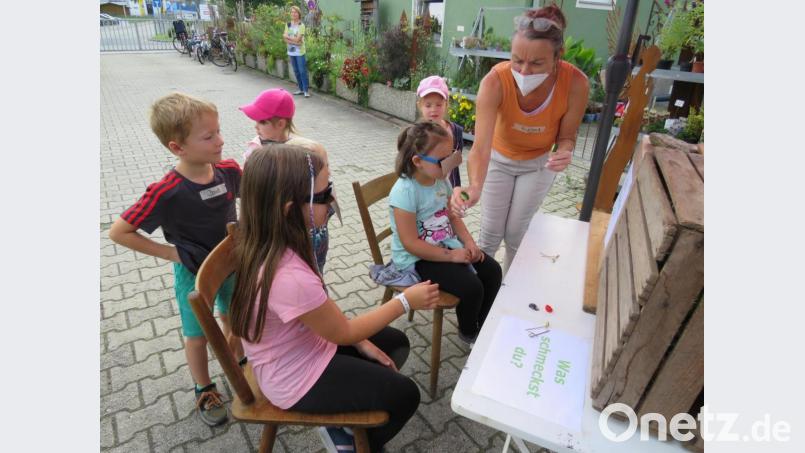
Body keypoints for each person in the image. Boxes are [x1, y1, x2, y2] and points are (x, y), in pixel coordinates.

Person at [229, 145, 441, 453]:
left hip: (305, 346)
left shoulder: (274, 240)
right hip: (293, 378)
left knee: (394, 343)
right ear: (289, 210)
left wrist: (360, 340)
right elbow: (343, 331)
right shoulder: (287, 274)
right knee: (405, 395)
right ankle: (350, 443)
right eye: (324, 195)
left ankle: (343, 417)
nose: (333, 202)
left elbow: (325, 316)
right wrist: (406, 301)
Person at [108, 92, 241, 426]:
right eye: (209, 136)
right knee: (196, 334)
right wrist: (172, 253)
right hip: (193, 275)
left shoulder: (228, 170)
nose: (220, 141)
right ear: (177, 148)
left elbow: (249, 198)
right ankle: (204, 387)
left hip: (234, 263)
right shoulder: (165, 191)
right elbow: (118, 232)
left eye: (219, 131)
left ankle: (237, 361)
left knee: (235, 317)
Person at [450, 5, 589, 272]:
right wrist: (475, 185)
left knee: (517, 234)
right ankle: (482, 294)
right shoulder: (494, 81)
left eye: (536, 63)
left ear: (558, 56)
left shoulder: (576, 83)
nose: (524, 71)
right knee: (490, 234)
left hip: (538, 164)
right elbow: (480, 146)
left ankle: (509, 294)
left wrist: (565, 151)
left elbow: (567, 136)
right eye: (517, 60)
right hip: (498, 161)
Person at [389, 122, 502, 345]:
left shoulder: (440, 180)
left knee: (492, 270)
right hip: (417, 258)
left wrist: (469, 242)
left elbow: (452, 216)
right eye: (444, 160)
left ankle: (483, 322)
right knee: (472, 287)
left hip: (444, 245)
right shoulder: (404, 192)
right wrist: (452, 256)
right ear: (418, 162)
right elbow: (411, 243)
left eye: (453, 156)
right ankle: (469, 332)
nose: (450, 164)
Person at [239, 88, 338, 272]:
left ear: (281, 123)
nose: (255, 126)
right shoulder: (255, 150)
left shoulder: (308, 151)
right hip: (271, 230)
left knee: (312, 272)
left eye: (262, 121)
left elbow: (319, 200)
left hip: (304, 231)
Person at [416, 75, 463, 188]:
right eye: (428, 105)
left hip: (450, 190)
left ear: (446, 105)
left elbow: (456, 163)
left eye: (438, 104)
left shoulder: (456, 131)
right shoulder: (417, 133)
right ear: (420, 106)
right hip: (426, 191)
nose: (433, 109)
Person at [284, 5, 310, 97]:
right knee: (296, 71)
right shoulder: (288, 24)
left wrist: (291, 39)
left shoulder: (301, 25)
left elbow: (298, 38)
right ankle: (300, 89)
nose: (293, 14)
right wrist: (296, 42)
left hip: (300, 52)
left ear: (299, 14)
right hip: (291, 52)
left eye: (295, 12)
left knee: (302, 71)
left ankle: (306, 90)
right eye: (292, 12)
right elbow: (285, 38)